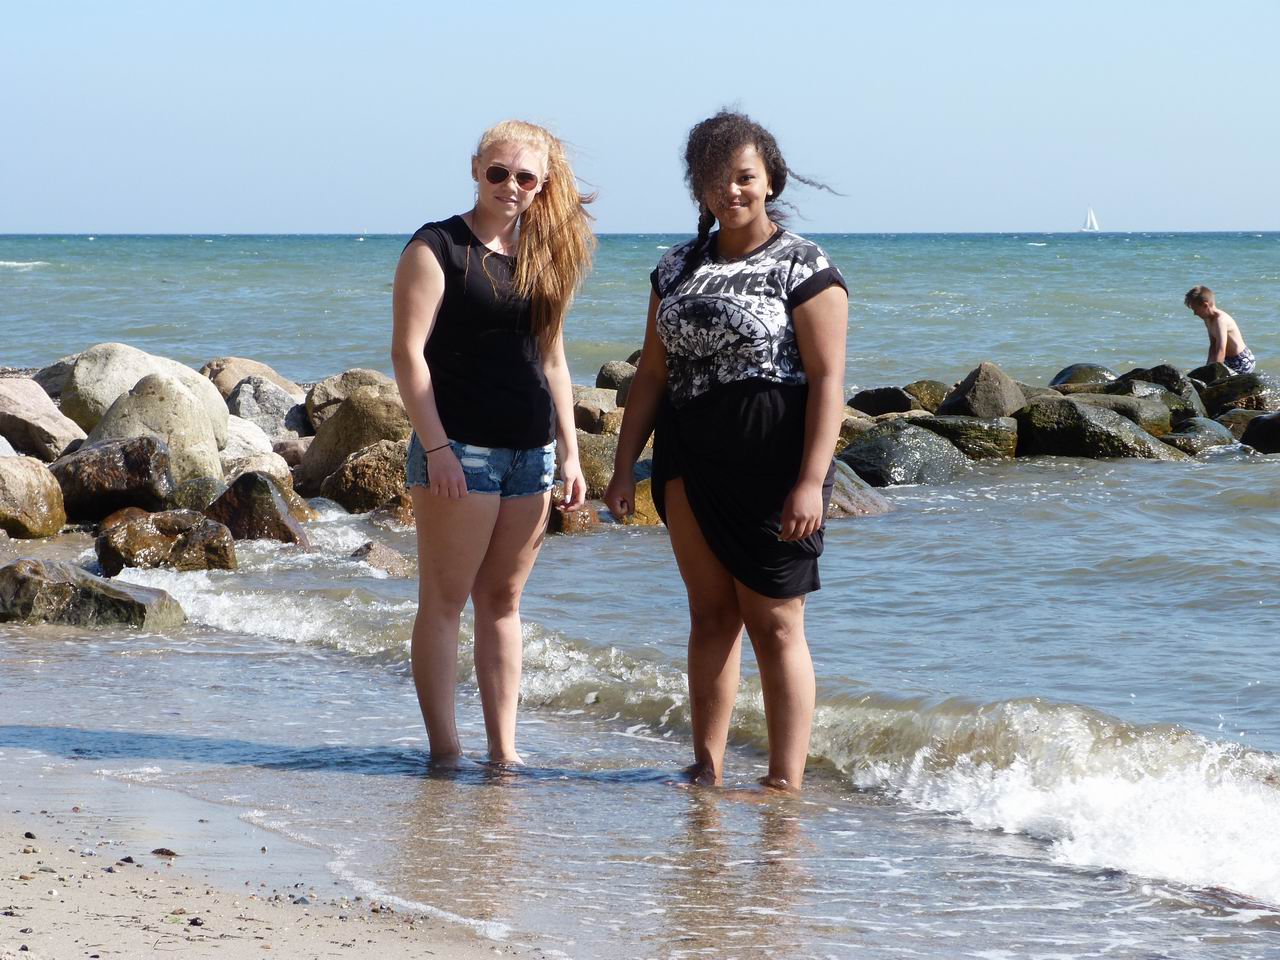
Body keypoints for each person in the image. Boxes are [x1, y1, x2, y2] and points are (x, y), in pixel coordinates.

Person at [604, 111, 849, 793]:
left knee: (776, 624)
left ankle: (784, 780)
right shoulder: (675, 267)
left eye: (744, 177)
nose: (731, 191)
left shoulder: (804, 265)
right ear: (699, 189)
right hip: (688, 457)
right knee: (710, 616)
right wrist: (622, 467)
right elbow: (652, 375)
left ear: (770, 178)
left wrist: (811, 481)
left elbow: (829, 380)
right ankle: (705, 766)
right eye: (715, 181)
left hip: (773, 461)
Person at [391, 120, 595, 766]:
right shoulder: (436, 247)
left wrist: (569, 453)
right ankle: (447, 753)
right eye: (499, 172)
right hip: (461, 449)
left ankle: (504, 754)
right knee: (445, 602)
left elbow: (553, 359)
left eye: (525, 177)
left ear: (543, 184)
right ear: (476, 168)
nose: (511, 186)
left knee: (503, 604)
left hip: (530, 454)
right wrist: (438, 450)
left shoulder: (543, 253)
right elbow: (408, 356)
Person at [1185, 284, 1255, 374]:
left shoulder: (1220, 320)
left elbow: (1221, 349)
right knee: (1206, 376)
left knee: (1219, 380)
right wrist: (1207, 367)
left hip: (1241, 361)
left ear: (1205, 305)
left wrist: (1216, 374)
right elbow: (1213, 345)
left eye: (1195, 309)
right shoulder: (1207, 319)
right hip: (1226, 359)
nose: (1195, 313)